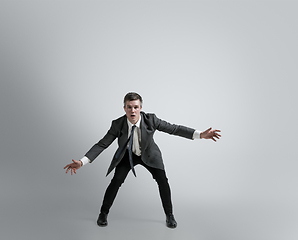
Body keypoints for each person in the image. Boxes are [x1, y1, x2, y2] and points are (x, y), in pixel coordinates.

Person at [64, 92, 221, 228]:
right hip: (127, 155)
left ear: (141, 108)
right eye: (129, 107)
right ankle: (103, 214)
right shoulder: (117, 124)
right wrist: (82, 161)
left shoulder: (151, 120)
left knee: (163, 182)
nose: (133, 110)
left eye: (136, 107)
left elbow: (174, 129)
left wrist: (200, 134)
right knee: (116, 181)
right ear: (124, 108)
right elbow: (102, 144)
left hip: (149, 155)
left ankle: (170, 215)